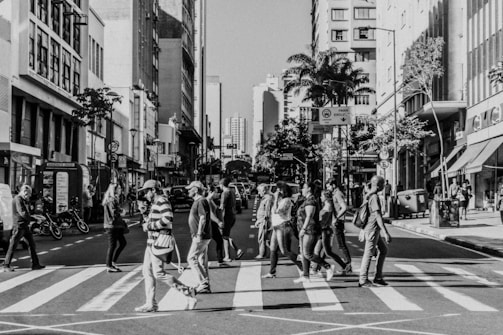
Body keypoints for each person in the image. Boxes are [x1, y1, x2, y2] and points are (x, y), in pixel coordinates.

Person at [135, 179, 197, 313]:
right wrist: (144, 213)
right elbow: (153, 221)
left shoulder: (162, 201)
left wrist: (149, 226)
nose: (145, 195)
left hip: (158, 242)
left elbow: (167, 218)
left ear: (153, 191)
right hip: (151, 243)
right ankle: (150, 303)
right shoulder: (155, 203)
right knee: (147, 272)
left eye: (146, 192)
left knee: (158, 273)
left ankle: (188, 292)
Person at [262, 181, 303, 279]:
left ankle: (302, 266)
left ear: (282, 191)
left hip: (283, 226)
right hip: (277, 226)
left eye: (278, 189)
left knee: (284, 250)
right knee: (273, 249)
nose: (276, 191)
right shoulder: (281, 200)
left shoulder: (287, 201)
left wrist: (275, 199)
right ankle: (272, 272)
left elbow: (278, 211)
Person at [296, 182, 335, 283]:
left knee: (308, 253)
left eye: (303, 188)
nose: (301, 190)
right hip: (308, 230)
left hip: (311, 230)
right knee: (304, 253)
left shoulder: (311, 201)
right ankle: (305, 275)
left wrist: (303, 229)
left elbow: (309, 216)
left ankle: (328, 267)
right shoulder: (308, 200)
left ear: (309, 189)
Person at [359, 175, 392, 288]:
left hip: (371, 228)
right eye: (382, 184)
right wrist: (385, 232)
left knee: (383, 250)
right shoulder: (373, 197)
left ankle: (378, 277)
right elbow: (377, 216)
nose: (384, 186)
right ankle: (363, 279)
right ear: (378, 185)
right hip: (372, 229)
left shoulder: (368, 195)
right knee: (368, 254)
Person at [2, 185, 45, 272]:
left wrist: (32, 216)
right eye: (26, 193)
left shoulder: (23, 199)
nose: (28, 195)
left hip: (24, 225)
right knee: (13, 245)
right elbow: (22, 212)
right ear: (22, 191)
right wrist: (33, 218)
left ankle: (35, 264)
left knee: (31, 244)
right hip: (19, 225)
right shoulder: (18, 199)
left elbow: (26, 212)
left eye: (29, 194)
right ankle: (6, 265)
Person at [186, 181, 212, 294]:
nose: (188, 191)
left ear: (195, 190)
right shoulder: (199, 201)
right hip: (201, 235)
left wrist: (199, 234)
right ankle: (205, 284)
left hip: (201, 235)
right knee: (202, 260)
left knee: (191, 258)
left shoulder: (201, 201)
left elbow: (203, 218)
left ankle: (203, 283)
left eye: (190, 189)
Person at [314, 190, 348, 274]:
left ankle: (344, 266)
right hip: (324, 231)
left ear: (325, 197)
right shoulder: (327, 205)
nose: (321, 197)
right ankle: (315, 268)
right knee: (318, 251)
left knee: (328, 252)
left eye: (322, 196)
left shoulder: (327, 207)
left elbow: (322, 220)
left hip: (325, 232)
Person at [325, 178, 352, 273]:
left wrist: (336, 218)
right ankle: (347, 265)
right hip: (336, 221)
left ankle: (348, 265)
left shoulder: (337, 194)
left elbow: (344, 207)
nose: (328, 188)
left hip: (337, 222)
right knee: (335, 244)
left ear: (333, 185)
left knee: (341, 245)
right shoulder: (335, 194)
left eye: (328, 186)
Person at [102, 183, 128, 273]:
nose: (120, 190)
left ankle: (112, 262)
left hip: (113, 225)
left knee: (122, 243)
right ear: (115, 190)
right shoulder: (112, 200)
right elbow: (114, 213)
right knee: (113, 245)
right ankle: (109, 265)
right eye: (119, 188)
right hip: (113, 225)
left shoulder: (110, 199)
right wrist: (122, 212)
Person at [219, 178, 244, 261]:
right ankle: (237, 251)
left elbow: (222, 207)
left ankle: (227, 256)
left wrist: (219, 218)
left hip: (226, 216)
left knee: (225, 236)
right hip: (232, 215)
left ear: (221, 185)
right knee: (226, 235)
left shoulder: (225, 193)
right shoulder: (232, 192)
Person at [206, 185, 226, 266]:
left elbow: (216, 211)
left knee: (219, 240)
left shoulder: (211, 200)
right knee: (206, 243)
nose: (217, 194)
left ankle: (220, 260)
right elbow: (210, 214)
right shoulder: (207, 200)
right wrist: (218, 222)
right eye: (216, 192)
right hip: (209, 224)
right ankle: (204, 261)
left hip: (213, 224)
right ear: (211, 192)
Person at [254, 183, 273, 259]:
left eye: (259, 191)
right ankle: (270, 252)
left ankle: (262, 254)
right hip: (263, 220)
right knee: (265, 239)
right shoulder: (266, 198)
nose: (259, 193)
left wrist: (261, 221)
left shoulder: (268, 198)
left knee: (261, 238)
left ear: (264, 191)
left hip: (264, 221)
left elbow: (267, 212)